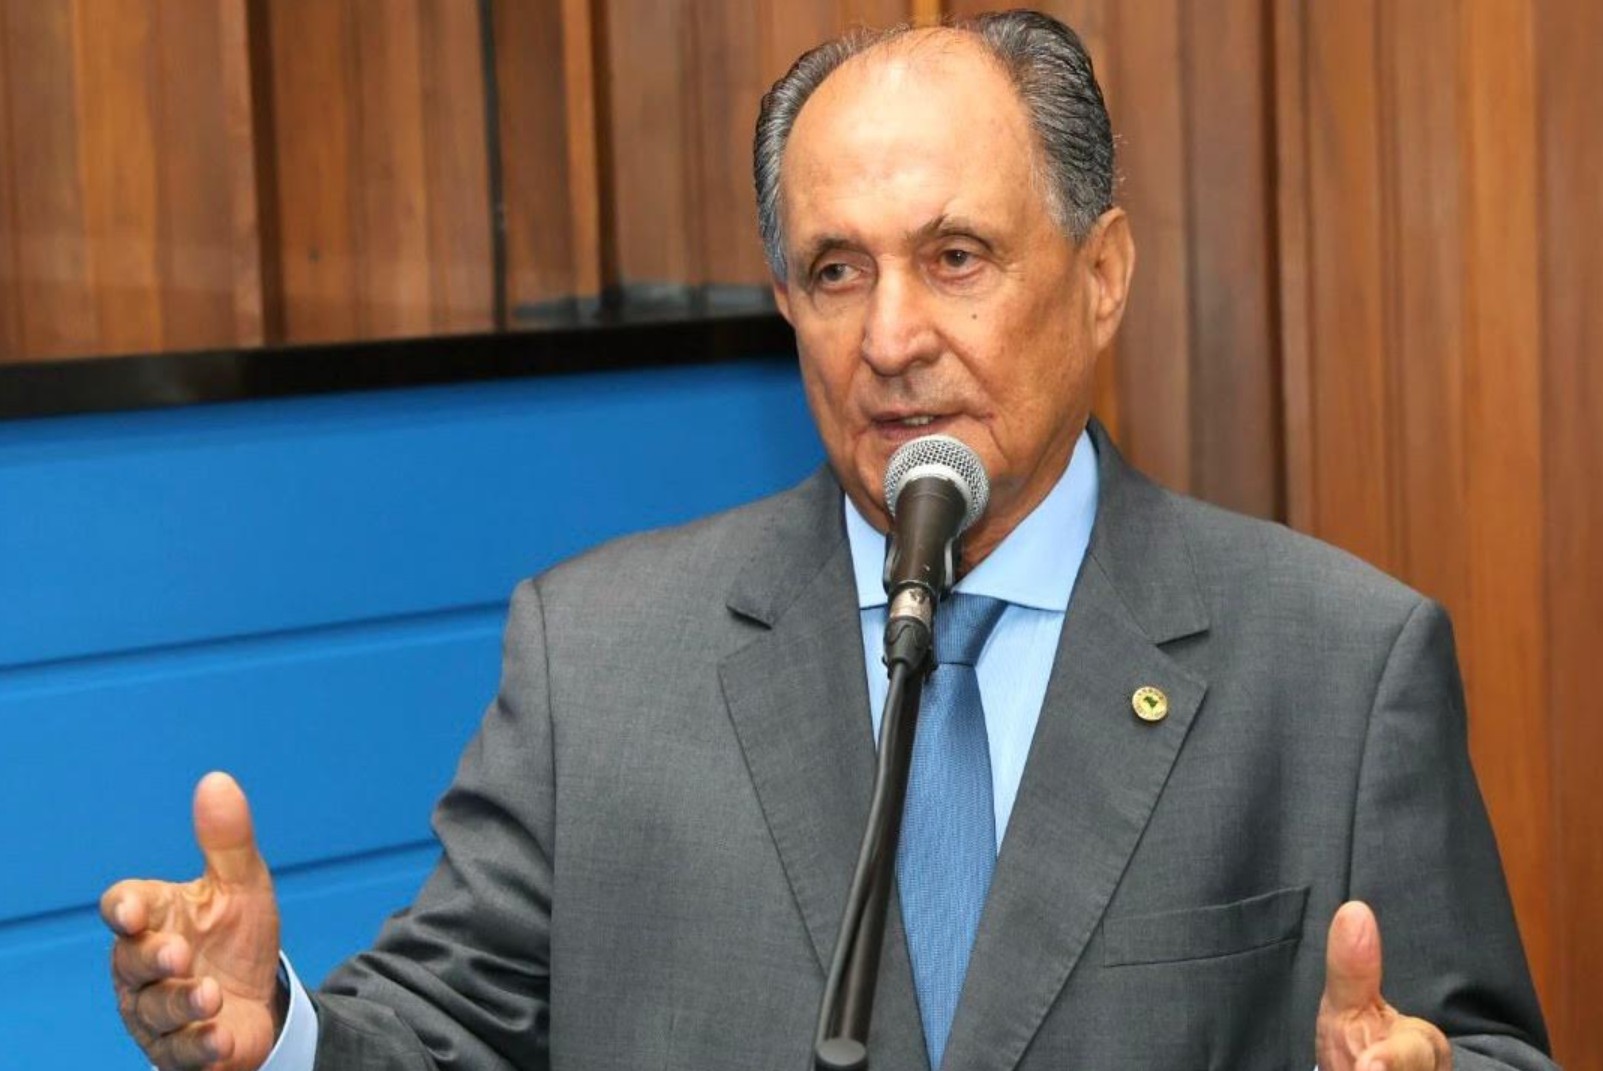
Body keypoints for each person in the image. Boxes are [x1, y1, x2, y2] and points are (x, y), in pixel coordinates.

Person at [103, 11, 1554, 1071]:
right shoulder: (599, 660)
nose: (892, 337)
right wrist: (271, 1033)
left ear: (1102, 275)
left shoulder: (1340, 665)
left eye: (956, 257)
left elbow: (1470, 1042)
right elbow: (443, 1031)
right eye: (837, 272)